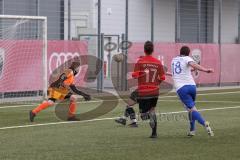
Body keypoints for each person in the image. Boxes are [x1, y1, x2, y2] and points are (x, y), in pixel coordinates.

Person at [115, 41, 165, 138]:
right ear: (152, 50)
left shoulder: (140, 62)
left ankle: (129, 119)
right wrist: (156, 84)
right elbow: (162, 78)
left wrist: (140, 74)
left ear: (144, 50)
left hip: (143, 91)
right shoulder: (158, 62)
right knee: (152, 110)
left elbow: (134, 75)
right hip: (155, 91)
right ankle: (154, 133)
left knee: (143, 115)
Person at [171, 46, 214, 137]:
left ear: (180, 52)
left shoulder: (174, 60)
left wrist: (204, 69)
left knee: (191, 109)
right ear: (188, 53)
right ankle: (192, 130)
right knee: (191, 109)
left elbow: (178, 72)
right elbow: (192, 65)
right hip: (192, 86)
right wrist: (205, 70)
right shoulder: (187, 59)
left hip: (181, 88)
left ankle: (204, 123)